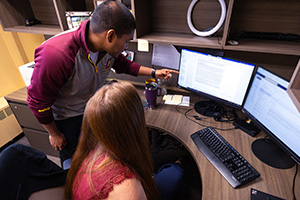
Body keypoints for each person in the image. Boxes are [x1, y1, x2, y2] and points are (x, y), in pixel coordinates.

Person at [27, 0, 178, 165]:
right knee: (75, 163)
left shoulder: (105, 47)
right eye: (126, 41)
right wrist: (54, 133)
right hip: (68, 117)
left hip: (93, 107)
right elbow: (38, 102)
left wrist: (155, 73)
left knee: (100, 158)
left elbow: (123, 64)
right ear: (111, 35)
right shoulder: (57, 55)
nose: (126, 46)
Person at [65, 81, 184, 200]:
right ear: (134, 123)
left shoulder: (89, 153)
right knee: (174, 174)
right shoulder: (128, 190)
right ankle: (178, 164)